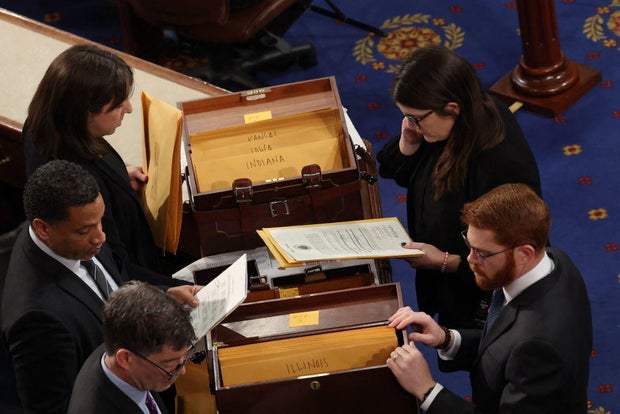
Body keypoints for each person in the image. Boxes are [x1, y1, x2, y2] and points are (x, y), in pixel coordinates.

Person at [0, 160, 200, 414]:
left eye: (100, 221)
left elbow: (117, 279)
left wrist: (163, 294)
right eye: (85, 230)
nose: (101, 237)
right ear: (43, 229)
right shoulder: (36, 318)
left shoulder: (77, 233)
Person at [386, 183, 592, 413]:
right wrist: (447, 338)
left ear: (524, 253)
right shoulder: (555, 260)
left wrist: (427, 390)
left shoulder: (539, 347)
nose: (471, 260)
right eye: (469, 245)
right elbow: (504, 343)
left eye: (482, 253)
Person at [377, 45, 543, 329]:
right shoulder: (450, 126)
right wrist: (409, 141)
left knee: (485, 363)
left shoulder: (500, 164)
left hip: (476, 291)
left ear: (452, 108)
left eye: (416, 118)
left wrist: (445, 261)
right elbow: (400, 172)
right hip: (446, 273)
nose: (411, 124)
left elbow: (511, 258)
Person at [23, 44, 162, 273]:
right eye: (117, 105)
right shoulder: (82, 193)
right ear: (85, 112)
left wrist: (117, 174)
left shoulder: (44, 125)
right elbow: (117, 267)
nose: (128, 109)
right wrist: (175, 288)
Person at [68, 281, 197, 413]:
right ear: (125, 358)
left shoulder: (123, 339)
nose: (182, 372)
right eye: (170, 365)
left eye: (183, 359)